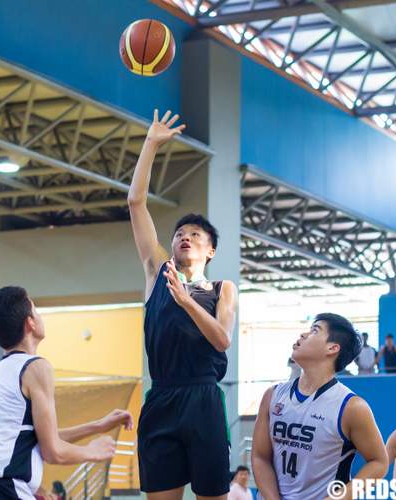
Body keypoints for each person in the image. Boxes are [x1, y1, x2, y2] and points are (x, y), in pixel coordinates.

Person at [128, 109, 239, 499]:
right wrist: (151, 143)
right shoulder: (157, 273)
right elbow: (136, 202)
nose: (184, 238)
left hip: (203, 397)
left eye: (194, 234)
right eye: (178, 234)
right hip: (161, 396)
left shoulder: (223, 289)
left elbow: (222, 340)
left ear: (210, 250)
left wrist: (188, 302)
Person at [0, 286, 133, 500]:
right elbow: (52, 451)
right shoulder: (36, 367)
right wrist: (93, 451)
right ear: (30, 322)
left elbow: (37, 439)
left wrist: (97, 426)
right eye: (36, 310)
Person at [252, 313, 389, 500]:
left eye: (314, 330)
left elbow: (379, 462)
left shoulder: (351, 407)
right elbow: (260, 457)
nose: (303, 334)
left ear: (332, 348)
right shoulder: (272, 395)